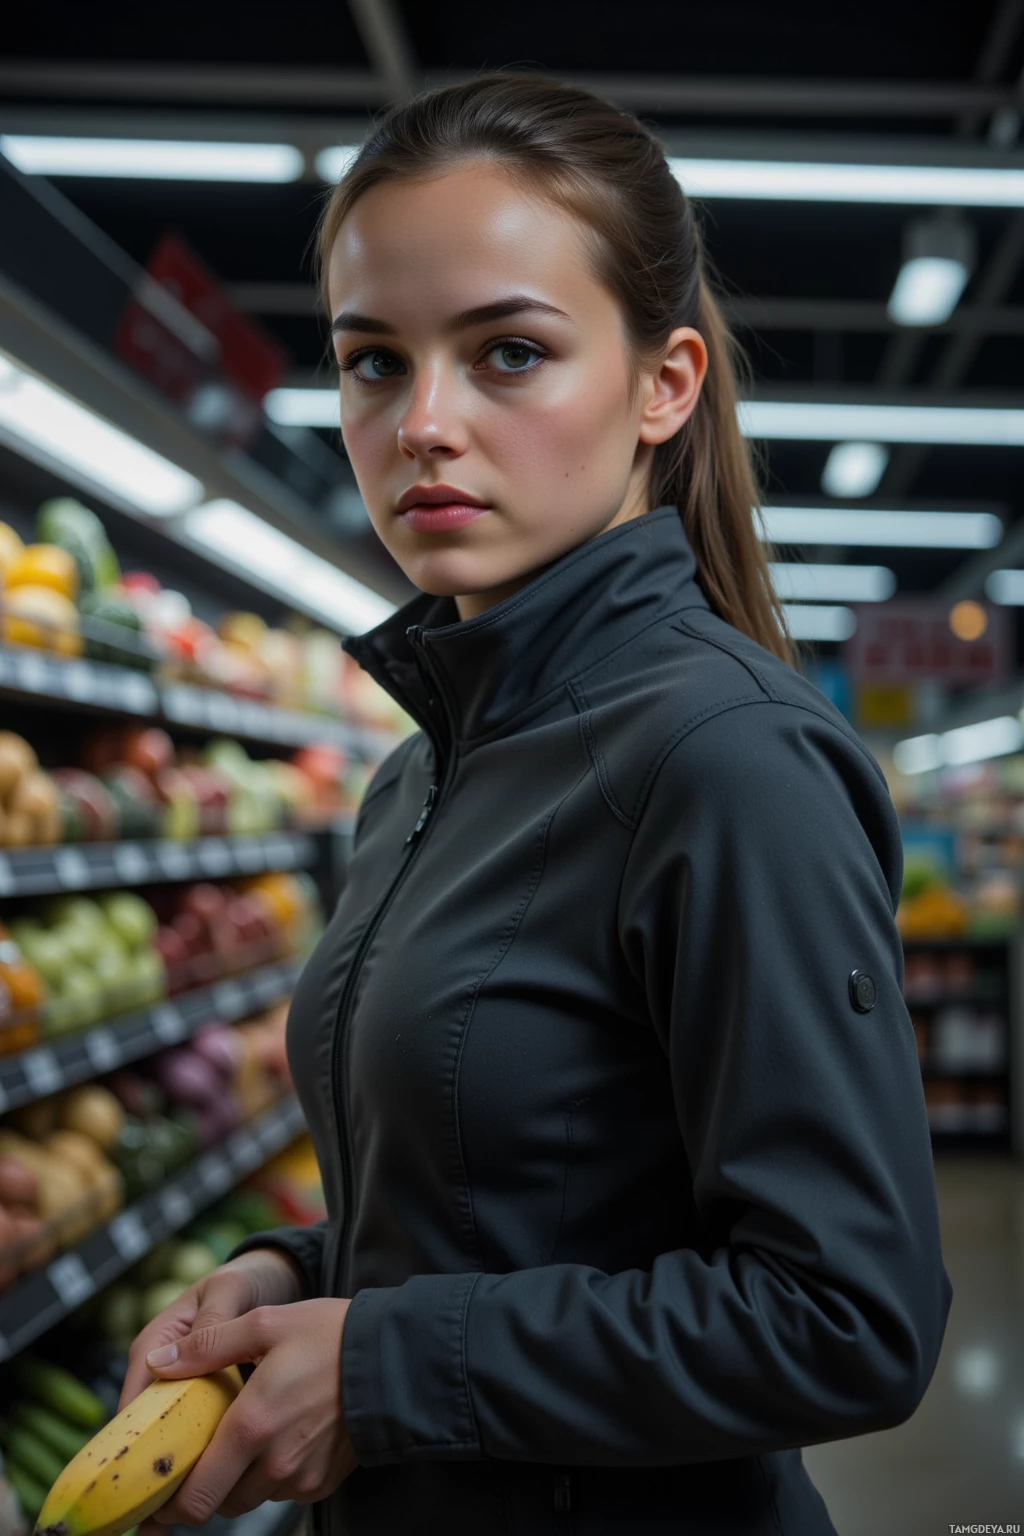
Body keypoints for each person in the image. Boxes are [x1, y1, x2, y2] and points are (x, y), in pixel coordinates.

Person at [121, 70, 953, 1536]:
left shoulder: (730, 761)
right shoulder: (415, 773)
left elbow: (847, 1315)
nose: (423, 422)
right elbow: (513, 1204)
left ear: (664, 384)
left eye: (507, 352)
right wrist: (292, 1278)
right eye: (373, 361)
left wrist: (383, 1367)